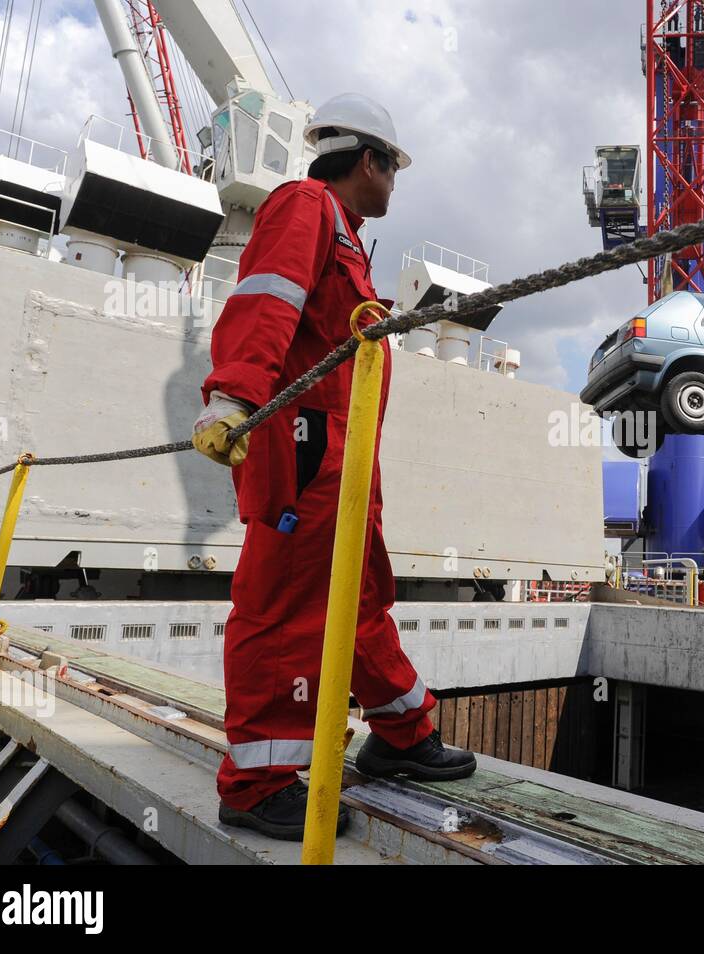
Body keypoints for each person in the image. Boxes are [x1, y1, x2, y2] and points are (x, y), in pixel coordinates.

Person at [192, 93, 476, 841]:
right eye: (394, 168)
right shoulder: (305, 205)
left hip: (344, 466)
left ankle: (402, 735)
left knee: (358, 596)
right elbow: (265, 300)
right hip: (307, 451)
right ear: (369, 160)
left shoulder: (345, 234)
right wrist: (231, 397)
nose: (396, 184)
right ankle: (256, 785)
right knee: (282, 606)